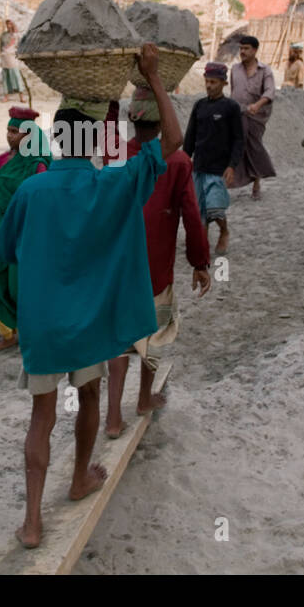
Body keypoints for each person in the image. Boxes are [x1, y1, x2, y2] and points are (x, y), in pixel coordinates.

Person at [0, 44, 179, 550]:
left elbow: (3, 251)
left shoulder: (32, 190)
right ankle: (79, 479)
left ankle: (32, 522)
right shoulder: (114, 184)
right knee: (91, 397)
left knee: (41, 417)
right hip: (91, 327)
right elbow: (173, 142)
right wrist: (155, 79)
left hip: (45, 328)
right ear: (96, 139)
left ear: (54, 137)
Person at [105, 86, 211, 439]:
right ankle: (144, 398)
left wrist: (109, 99)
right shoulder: (179, 162)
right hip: (156, 269)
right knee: (155, 335)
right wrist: (200, 261)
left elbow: (105, 129)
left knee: (120, 342)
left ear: (131, 117)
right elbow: (192, 216)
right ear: (162, 120)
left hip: (120, 268)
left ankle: (112, 418)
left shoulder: (117, 154)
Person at [0, 106, 51, 353]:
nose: (10, 136)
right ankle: (7, 334)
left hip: (25, 234)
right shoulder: (2, 160)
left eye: (15, 132)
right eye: (8, 130)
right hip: (0, 228)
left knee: (20, 284)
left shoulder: (38, 166)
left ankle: (29, 331)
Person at [183, 62, 243, 256]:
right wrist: (185, 162)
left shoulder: (231, 107)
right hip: (199, 166)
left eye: (213, 82)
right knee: (200, 210)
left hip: (219, 169)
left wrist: (232, 165)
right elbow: (190, 137)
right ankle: (203, 243)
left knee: (214, 207)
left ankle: (224, 231)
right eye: (207, 81)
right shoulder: (199, 106)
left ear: (224, 83)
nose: (209, 86)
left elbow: (238, 139)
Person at [229, 35, 277, 200]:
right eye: (241, 48)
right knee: (236, 145)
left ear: (255, 50)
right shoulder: (235, 69)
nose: (242, 52)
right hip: (238, 114)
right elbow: (233, 91)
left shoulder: (265, 70)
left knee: (254, 147)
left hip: (257, 116)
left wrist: (257, 105)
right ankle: (230, 181)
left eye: (246, 48)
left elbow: (270, 91)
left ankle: (257, 182)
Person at [0, 19, 22, 102]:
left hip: (13, 58)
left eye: (10, 24)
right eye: (7, 24)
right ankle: (6, 96)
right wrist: (0, 57)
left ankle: (21, 96)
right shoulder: (3, 35)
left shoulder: (16, 35)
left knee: (16, 76)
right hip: (4, 58)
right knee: (5, 78)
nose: (8, 26)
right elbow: (1, 47)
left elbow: (19, 46)